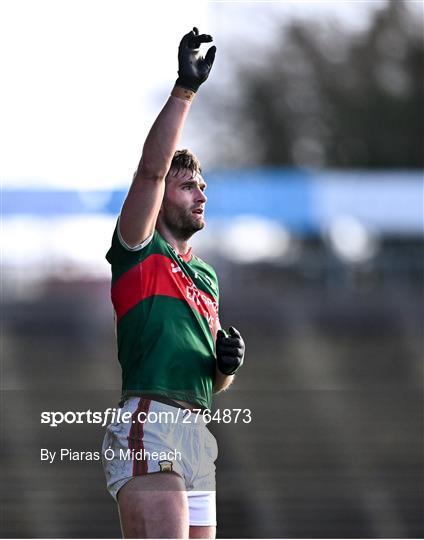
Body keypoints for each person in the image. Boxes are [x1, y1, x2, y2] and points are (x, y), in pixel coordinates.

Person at [102, 28, 245, 539]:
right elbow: (149, 172)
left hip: (197, 431)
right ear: (163, 199)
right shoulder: (140, 250)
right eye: (188, 186)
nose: (201, 195)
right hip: (152, 421)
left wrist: (226, 369)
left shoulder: (205, 275)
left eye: (203, 187)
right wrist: (185, 90)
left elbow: (211, 379)